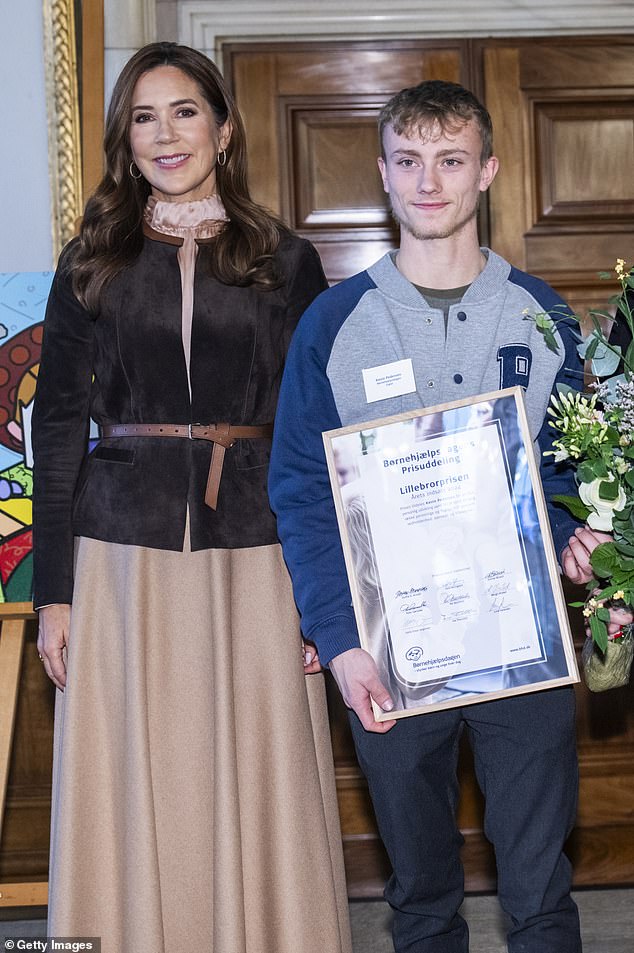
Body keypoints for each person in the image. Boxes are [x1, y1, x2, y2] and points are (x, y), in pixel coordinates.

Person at [268, 80, 613, 953]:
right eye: (411, 161)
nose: (430, 182)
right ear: (383, 172)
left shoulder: (542, 317)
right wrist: (341, 644)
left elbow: (571, 469)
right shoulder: (333, 325)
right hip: (391, 647)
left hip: (522, 645)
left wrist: (581, 531)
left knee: (540, 889)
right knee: (420, 894)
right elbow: (303, 492)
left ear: (487, 171)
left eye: (451, 160)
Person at [33, 42, 352, 953]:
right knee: (131, 780)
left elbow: (318, 432)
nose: (165, 133)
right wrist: (52, 593)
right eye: (143, 115)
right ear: (122, 139)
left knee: (261, 774)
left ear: (223, 127)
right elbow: (57, 430)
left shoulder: (286, 260)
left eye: (184, 111)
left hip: (258, 555)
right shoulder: (91, 259)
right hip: (120, 560)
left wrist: (326, 601)